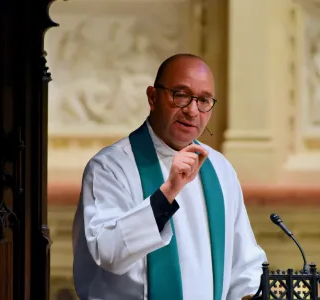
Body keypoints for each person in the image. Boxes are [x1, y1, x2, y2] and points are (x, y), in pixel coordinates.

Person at [72, 53, 267, 300]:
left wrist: (252, 293)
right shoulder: (111, 167)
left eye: (204, 100)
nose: (192, 110)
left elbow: (244, 262)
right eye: (181, 95)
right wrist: (167, 194)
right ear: (152, 97)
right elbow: (108, 252)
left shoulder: (220, 169)